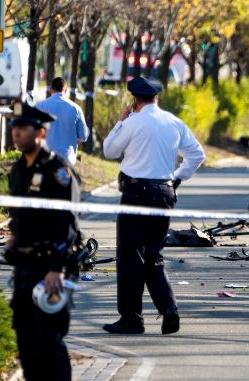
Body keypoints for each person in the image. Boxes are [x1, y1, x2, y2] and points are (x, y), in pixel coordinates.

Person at [102, 76, 206, 335]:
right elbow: (197, 155)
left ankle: (131, 318)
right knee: (154, 255)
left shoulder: (133, 121)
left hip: (136, 193)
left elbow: (109, 151)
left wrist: (120, 122)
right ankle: (169, 308)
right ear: (157, 97)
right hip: (163, 193)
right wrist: (176, 179)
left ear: (134, 100)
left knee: (130, 257)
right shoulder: (173, 122)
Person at [5, 102, 82, 381]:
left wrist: (56, 268)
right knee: (26, 342)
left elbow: (67, 223)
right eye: (15, 128)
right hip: (24, 267)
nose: (16, 133)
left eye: (23, 128)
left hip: (51, 268)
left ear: (40, 132)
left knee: (49, 340)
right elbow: (20, 215)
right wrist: (14, 239)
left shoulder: (57, 169)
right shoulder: (17, 170)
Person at [34, 77, 89, 166]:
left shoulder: (39, 106)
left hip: (43, 159)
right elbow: (84, 136)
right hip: (67, 160)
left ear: (51, 89)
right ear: (66, 90)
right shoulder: (76, 109)